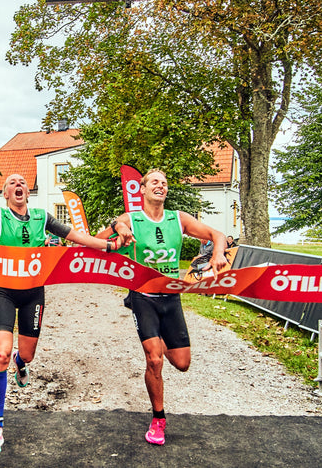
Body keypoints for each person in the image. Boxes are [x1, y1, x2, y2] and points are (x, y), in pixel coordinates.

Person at [0, 138, 127, 454]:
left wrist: (112, 246)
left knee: (25, 355)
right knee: (1, 355)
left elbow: (79, 238)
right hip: (4, 293)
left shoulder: (42, 218)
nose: (18, 185)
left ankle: (23, 363)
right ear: (6, 194)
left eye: (22, 182)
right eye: (11, 183)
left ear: (27, 192)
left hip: (33, 294)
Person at [101, 169, 227, 446]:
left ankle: (159, 339)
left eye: (165, 183)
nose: (161, 186)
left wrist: (218, 251)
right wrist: (116, 228)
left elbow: (217, 234)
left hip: (171, 296)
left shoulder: (178, 219)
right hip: (142, 296)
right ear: (142, 190)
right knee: (154, 359)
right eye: (155, 182)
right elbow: (98, 240)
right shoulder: (132, 218)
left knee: (182, 364)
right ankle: (158, 418)